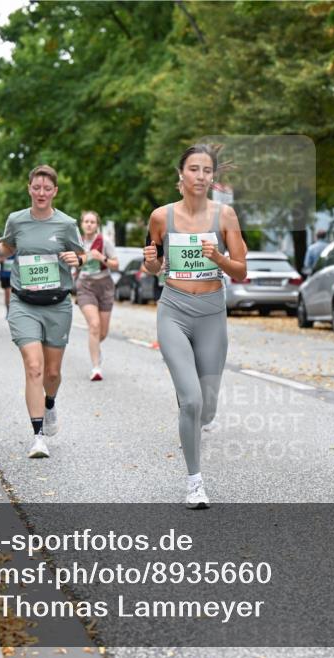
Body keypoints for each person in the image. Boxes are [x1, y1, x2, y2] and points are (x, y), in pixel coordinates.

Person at [142, 145, 248, 509]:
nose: (201, 176)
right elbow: (154, 267)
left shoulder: (225, 216)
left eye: (207, 170)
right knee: (190, 400)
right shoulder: (160, 217)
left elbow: (241, 270)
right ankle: (195, 482)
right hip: (173, 309)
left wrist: (218, 257)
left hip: (210, 313)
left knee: (208, 407)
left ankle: (200, 415)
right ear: (181, 176)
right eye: (194, 169)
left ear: (212, 178)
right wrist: (151, 263)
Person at [0, 165, 84, 459]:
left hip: (57, 304)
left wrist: (74, 258)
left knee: (52, 373)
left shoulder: (67, 224)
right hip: (23, 302)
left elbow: (81, 256)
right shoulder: (16, 220)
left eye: (47, 188)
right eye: (36, 187)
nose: (41, 193)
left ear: (55, 191)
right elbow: (7, 249)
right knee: (34, 366)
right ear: (29, 188)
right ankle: (38, 436)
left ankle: (50, 402)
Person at [75, 210, 119, 380]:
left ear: (97, 225)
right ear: (82, 224)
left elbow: (116, 264)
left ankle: (95, 349)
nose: (89, 224)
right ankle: (96, 368)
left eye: (92, 222)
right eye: (86, 221)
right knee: (94, 325)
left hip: (105, 285)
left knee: (102, 332)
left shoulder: (105, 241)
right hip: (85, 286)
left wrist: (102, 258)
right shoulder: (76, 243)